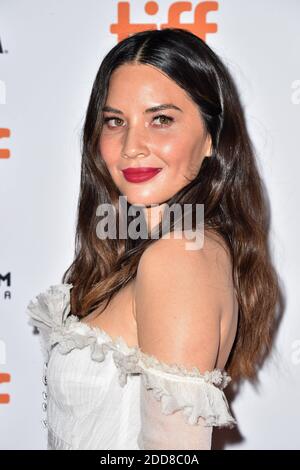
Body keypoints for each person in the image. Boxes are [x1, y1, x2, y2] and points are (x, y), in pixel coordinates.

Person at [26, 28, 280, 450]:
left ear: (211, 138)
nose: (131, 147)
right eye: (115, 121)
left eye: (161, 119)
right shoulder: (157, 249)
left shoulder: (180, 256)